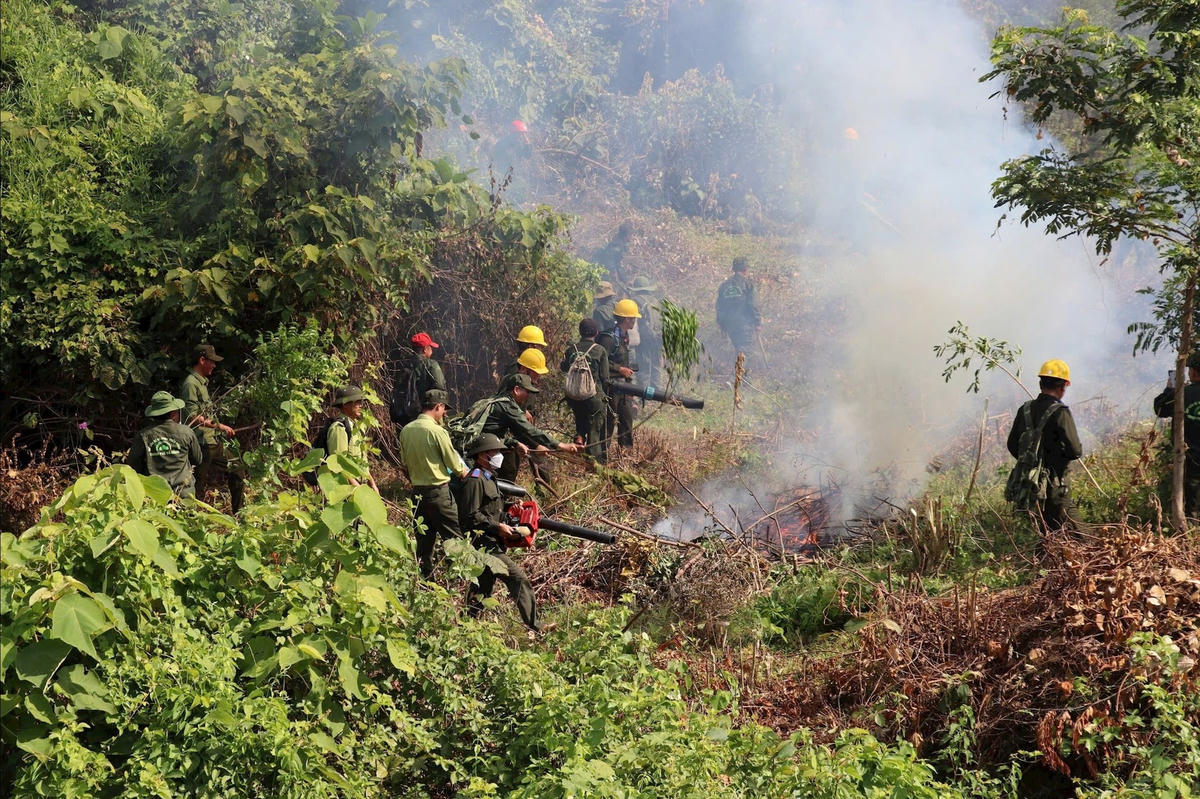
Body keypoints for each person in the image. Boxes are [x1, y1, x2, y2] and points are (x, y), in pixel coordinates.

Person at [455, 433, 541, 631]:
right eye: (495, 452)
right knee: (518, 578)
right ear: (482, 455)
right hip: (483, 544)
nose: (499, 456)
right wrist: (497, 527)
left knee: (482, 587)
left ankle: (465, 627)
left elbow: (491, 510)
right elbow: (470, 516)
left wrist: (511, 508)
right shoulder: (475, 480)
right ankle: (536, 625)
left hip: (492, 541)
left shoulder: (488, 477)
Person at [1006, 359, 1083, 532]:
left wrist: (1033, 463)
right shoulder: (1060, 412)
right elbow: (1075, 451)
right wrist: (1054, 461)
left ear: (1041, 383)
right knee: (1080, 534)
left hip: (1029, 484)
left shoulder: (1025, 409)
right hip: (1055, 485)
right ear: (1062, 386)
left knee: (1045, 532)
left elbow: (1012, 445)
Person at [400, 389, 469, 579]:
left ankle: (425, 580)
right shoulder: (438, 432)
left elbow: (404, 466)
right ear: (438, 406)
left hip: (417, 495)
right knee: (453, 539)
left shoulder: (406, 430)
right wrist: (472, 476)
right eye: (444, 409)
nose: (444, 414)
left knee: (423, 542)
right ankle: (457, 580)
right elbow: (456, 466)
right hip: (439, 494)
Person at [475, 373, 579, 481]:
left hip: (476, 450)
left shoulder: (494, 401)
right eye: (527, 391)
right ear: (516, 390)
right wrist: (560, 445)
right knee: (485, 479)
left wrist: (515, 443)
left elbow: (494, 434)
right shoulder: (508, 406)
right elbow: (530, 430)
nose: (528, 396)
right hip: (478, 454)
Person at [179, 343, 245, 513]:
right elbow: (192, 416)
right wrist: (220, 426)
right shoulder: (190, 384)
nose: (214, 365)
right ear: (202, 360)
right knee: (197, 485)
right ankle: (191, 518)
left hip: (211, 441)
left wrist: (218, 429)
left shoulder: (202, 383)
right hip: (199, 444)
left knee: (237, 468)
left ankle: (240, 513)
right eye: (212, 361)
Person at [128, 391, 203, 498]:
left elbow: (133, 465)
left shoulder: (143, 435)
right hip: (183, 492)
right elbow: (197, 460)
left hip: (155, 494)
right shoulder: (187, 432)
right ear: (173, 414)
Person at [1153, 352, 1200, 518]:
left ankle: (1190, 529)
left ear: (1193, 372)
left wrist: (1170, 389)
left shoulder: (1181, 394)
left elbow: (1160, 409)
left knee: (1191, 505)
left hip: (1188, 459)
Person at [561, 318, 610, 462]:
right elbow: (605, 378)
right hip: (593, 396)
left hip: (574, 396)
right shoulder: (600, 350)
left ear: (580, 332)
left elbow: (564, 368)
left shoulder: (571, 349)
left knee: (580, 420)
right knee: (594, 430)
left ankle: (579, 439)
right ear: (596, 332)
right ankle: (594, 463)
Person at [596, 299, 640, 450]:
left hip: (623, 387)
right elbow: (600, 361)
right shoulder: (609, 338)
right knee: (608, 422)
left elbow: (625, 366)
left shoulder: (624, 336)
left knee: (627, 420)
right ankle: (602, 455)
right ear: (627, 319)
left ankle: (625, 453)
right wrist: (619, 369)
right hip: (610, 388)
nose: (634, 321)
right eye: (633, 318)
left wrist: (630, 388)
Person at [325, 386, 379, 493]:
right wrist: (357, 490)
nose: (361, 405)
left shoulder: (356, 427)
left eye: (361, 402)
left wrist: (372, 483)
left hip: (359, 485)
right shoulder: (339, 428)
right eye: (357, 402)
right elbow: (339, 464)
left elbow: (362, 461)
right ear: (345, 405)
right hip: (347, 489)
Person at [715, 257, 761, 368]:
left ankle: (741, 376)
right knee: (744, 350)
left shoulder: (724, 286)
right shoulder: (748, 284)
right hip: (744, 324)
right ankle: (737, 376)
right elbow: (752, 305)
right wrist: (757, 322)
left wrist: (722, 325)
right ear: (745, 269)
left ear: (733, 269)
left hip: (729, 325)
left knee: (739, 349)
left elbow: (719, 307)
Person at [629, 276, 662, 389]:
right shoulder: (656, 301)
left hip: (644, 340)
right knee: (656, 368)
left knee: (644, 369)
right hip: (657, 339)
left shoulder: (634, 302)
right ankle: (657, 394)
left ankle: (644, 394)